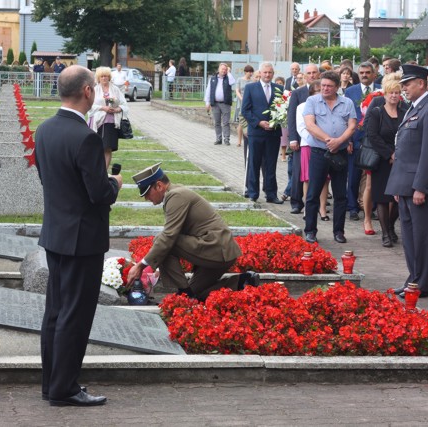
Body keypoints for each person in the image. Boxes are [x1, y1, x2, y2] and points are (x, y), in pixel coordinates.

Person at [34, 65, 122, 407]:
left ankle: (52, 383)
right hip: (82, 239)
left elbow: (49, 180)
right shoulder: (85, 137)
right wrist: (114, 184)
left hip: (55, 233)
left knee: (55, 311)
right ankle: (65, 388)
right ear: (88, 91)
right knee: (75, 314)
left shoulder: (45, 129)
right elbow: (97, 193)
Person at [125, 163, 258, 301]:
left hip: (216, 248)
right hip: (219, 251)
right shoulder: (175, 193)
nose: (146, 198)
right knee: (194, 296)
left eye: (147, 193)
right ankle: (242, 281)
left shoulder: (175, 196)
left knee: (162, 241)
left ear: (159, 186)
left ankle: (183, 291)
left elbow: (169, 236)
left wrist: (141, 266)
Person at [386, 64, 428, 299]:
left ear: (421, 83)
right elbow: (405, 149)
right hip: (405, 184)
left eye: (407, 84)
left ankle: (421, 283)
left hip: (418, 187)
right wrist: (400, 186)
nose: (403, 89)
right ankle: (413, 279)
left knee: (421, 238)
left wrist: (421, 186)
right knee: (409, 238)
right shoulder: (415, 107)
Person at [302, 70, 356, 244]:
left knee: (341, 194)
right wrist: (328, 140)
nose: (325, 88)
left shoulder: (347, 103)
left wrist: (339, 141)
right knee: (313, 193)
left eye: (329, 86)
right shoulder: (312, 101)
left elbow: (352, 126)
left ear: (337, 87)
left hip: (339, 153)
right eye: (323, 85)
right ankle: (310, 230)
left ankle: (339, 231)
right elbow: (310, 125)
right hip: (319, 152)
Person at [365, 74, 407, 247]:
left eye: (397, 92)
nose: (394, 96)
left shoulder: (405, 112)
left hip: (402, 160)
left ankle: (390, 226)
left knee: (399, 198)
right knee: (382, 198)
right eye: (391, 92)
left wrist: (399, 155)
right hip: (382, 160)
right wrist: (390, 154)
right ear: (385, 94)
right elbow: (372, 135)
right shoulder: (377, 112)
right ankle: (385, 233)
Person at [241, 62, 284, 204]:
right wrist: (259, 122)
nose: (267, 75)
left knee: (271, 164)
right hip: (256, 132)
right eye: (265, 72)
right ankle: (253, 193)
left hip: (273, 133)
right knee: (254, 163)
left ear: (273, 73)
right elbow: (245, 110)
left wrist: (275, 122)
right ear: (260, 73)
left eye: (270, 72)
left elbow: (283, 109)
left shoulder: (279, 88)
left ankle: (271, 194)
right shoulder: (250, 88)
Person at [344, 62, 380, 230]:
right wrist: (348, 140)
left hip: (375, 140)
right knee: (353, 175)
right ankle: (352, 207)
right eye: (362, 72)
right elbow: (346, 115)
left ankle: (369, 207)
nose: (365, 75)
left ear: (374, 74)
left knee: (371, 178)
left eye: (368, 72)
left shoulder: (380, 90)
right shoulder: (350, 91)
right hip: (355, 138)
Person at [287, 63, 321, 214]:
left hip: (320, 140)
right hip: (302, 140)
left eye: (314, 72)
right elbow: (292, 118)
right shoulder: (298, 93)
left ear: (318, 74)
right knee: (298, 171)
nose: (312, 75)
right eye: (309, 73)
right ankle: (296, 201)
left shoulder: (324, 92)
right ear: (304, 75)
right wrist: (293, 139)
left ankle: (318, 203)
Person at [295, 80, 329, 221]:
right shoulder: (302, 107)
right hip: (308, 144)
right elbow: (301, 127)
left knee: (325, 179)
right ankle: (308, 209)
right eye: (316, 93)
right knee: (308, 178)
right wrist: (314, 139)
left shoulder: (328, 105)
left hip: (325, 144)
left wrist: (325, 139)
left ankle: (322, 208)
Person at [89, 66, 129, 168]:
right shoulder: (94, 90)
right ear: (98, 77)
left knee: (108, 147)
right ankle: (97, 170)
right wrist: (103, 108)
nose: (104, 78)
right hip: (97, 123)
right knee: (97, 148)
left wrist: (117, 109)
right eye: (102, 76)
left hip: (111, 123)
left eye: (106, 76)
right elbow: (89, 106)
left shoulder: (115, 89)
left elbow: (124, 104)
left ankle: (104, 172)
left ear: (109, 77)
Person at [204, 63, 236, 146]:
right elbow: (208, 90)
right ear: (219, 69)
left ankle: (226, 139)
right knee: (217, 122)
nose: (224, 71)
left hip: (225, 103)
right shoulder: (213, 79)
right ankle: (218, 138)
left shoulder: (228, 78)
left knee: (226, 122)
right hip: (215, 104)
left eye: (225, 69)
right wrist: (207, 102)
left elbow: (233, 82)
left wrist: (229, 72)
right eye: (222, 69)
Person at [234, 65, 254, 148]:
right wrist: (242, 98)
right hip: (241, 101)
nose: (250, 73)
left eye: (251, 72)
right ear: (245, 72)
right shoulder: (239, 80)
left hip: (250, 102)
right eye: (249, 72)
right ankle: (239, 141)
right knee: (240, 123)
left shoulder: (252, 81)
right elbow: (237, 90)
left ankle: (247, 138)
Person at [274, 76, 289, 162]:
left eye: (280, 83)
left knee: (284, 136)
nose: (279, 85)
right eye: (277, 83)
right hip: (275, 117)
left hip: (283, 118)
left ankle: (284, 155)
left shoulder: (286, 93)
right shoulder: (272, 92)